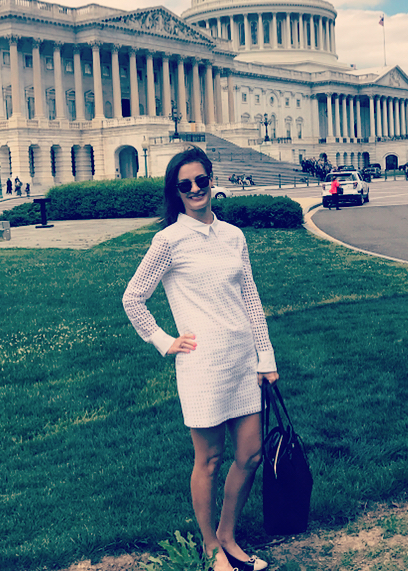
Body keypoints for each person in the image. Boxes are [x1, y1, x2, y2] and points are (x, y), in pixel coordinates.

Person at [123, 146, 277, 571]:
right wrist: (162, 340)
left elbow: (251, 299)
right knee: (208, 460)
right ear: (177, 191)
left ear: (212, 180)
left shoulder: (233, 236)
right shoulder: (168, 240)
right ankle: (210, 547)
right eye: (185, 184)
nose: (195, 189)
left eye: (201, 180)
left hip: (243, 361)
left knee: (250, 455)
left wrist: (266, 357)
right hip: (202, 366)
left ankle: (229, 534)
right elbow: (133, 298)